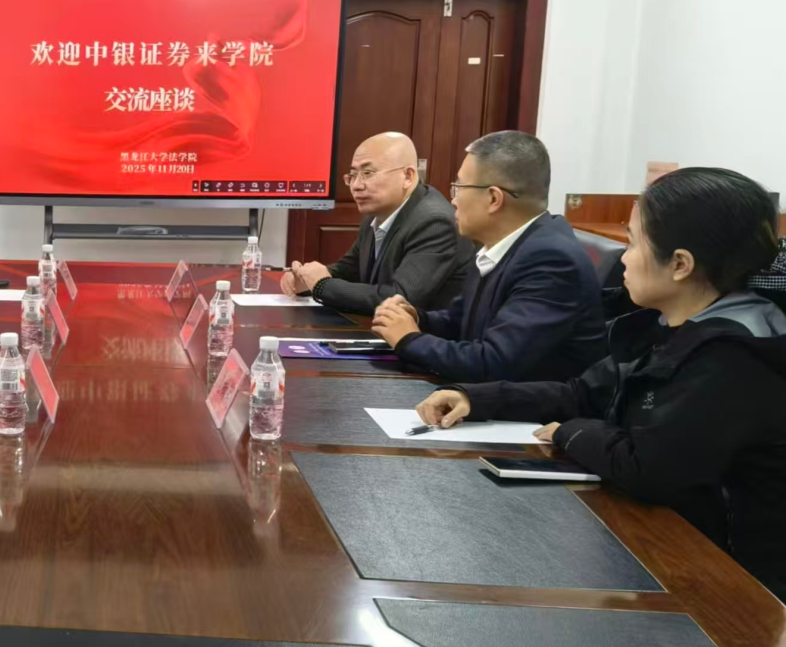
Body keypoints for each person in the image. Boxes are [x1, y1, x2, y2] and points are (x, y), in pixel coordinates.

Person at [414, 167, 786, 598]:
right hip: (661, 542)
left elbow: (649, 468)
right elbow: (583, 392)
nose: (622, 258)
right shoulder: (666, 324)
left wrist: (571, 431)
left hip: (727, 582)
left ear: (680, 264)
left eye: (633, 242)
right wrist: (476, 398)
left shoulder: (734, 355)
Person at [371, 131, 606, 382]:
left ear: (493, 198)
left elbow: (494, 363)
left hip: (531, 405)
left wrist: (409, 339)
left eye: (459, 187)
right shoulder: (500, 244)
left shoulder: (551, 261)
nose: (453, 200)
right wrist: (417, 319)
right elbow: (460, 321)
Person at [282, 132, 473, 314]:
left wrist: (322, 285)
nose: (356, 186)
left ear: (407, 176)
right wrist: (307, 280)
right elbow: (351, 269)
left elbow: (400, 298)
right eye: (353, 175)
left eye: (368, 173)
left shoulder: (434, 222)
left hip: (426, 334)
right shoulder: (376, 212)